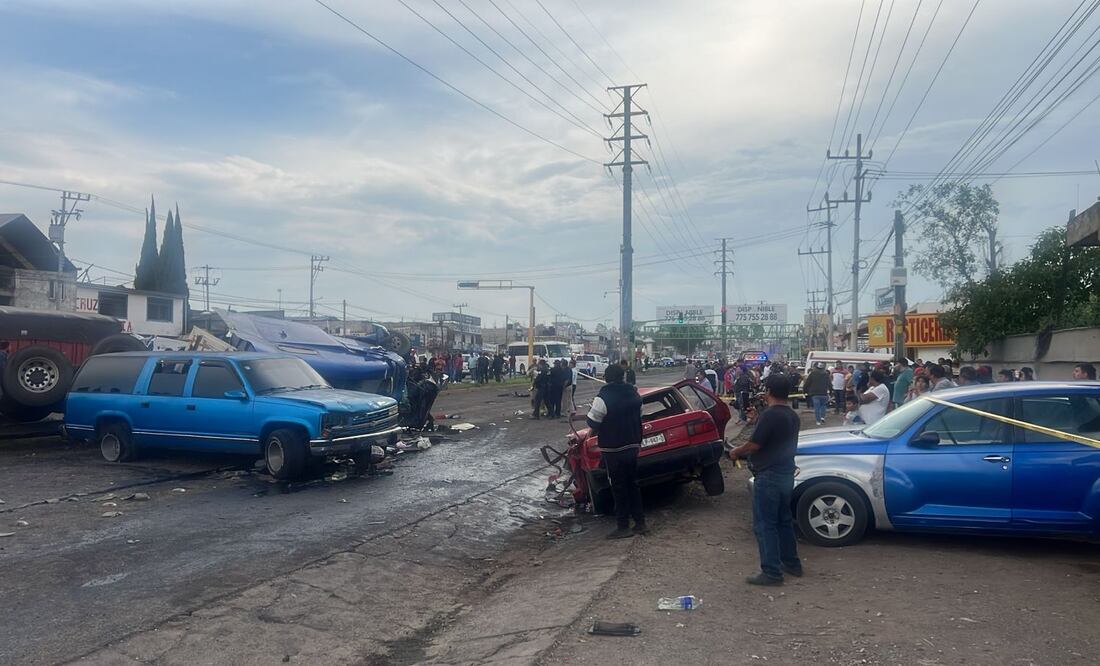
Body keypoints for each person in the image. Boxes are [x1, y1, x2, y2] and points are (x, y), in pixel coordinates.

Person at [727, 374, 803, 585]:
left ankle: (771, 572)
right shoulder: (791, 415)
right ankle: (792, 563)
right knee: (783, 521)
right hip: (786, 474)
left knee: (765, 525)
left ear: (768, 391)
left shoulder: (770, 416)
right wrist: (756, 420)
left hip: (768, 476)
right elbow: (773, 438)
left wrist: (735, 452)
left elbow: (754, 445)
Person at [586, 363, 646, 539]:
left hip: (614, 450)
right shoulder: (633, 392)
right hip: (633, 446)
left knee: (618, 487)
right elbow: (640, 414)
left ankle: (623, 526)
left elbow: (593, 423)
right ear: (622, 376)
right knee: (633, 485)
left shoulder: (603, 397)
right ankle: (640, 523)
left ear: (606, 377)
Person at [802, 362, 830, 426]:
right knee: (823, 406)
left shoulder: (813, 374)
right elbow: (829, 383)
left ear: (816, 367)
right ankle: (822, 417)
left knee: (817, 408)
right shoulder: (826, 374)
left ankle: (818, 421)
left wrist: (804, 391)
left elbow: (807, 383)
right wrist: (831, 391)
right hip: (824, 393)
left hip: (815, 394)